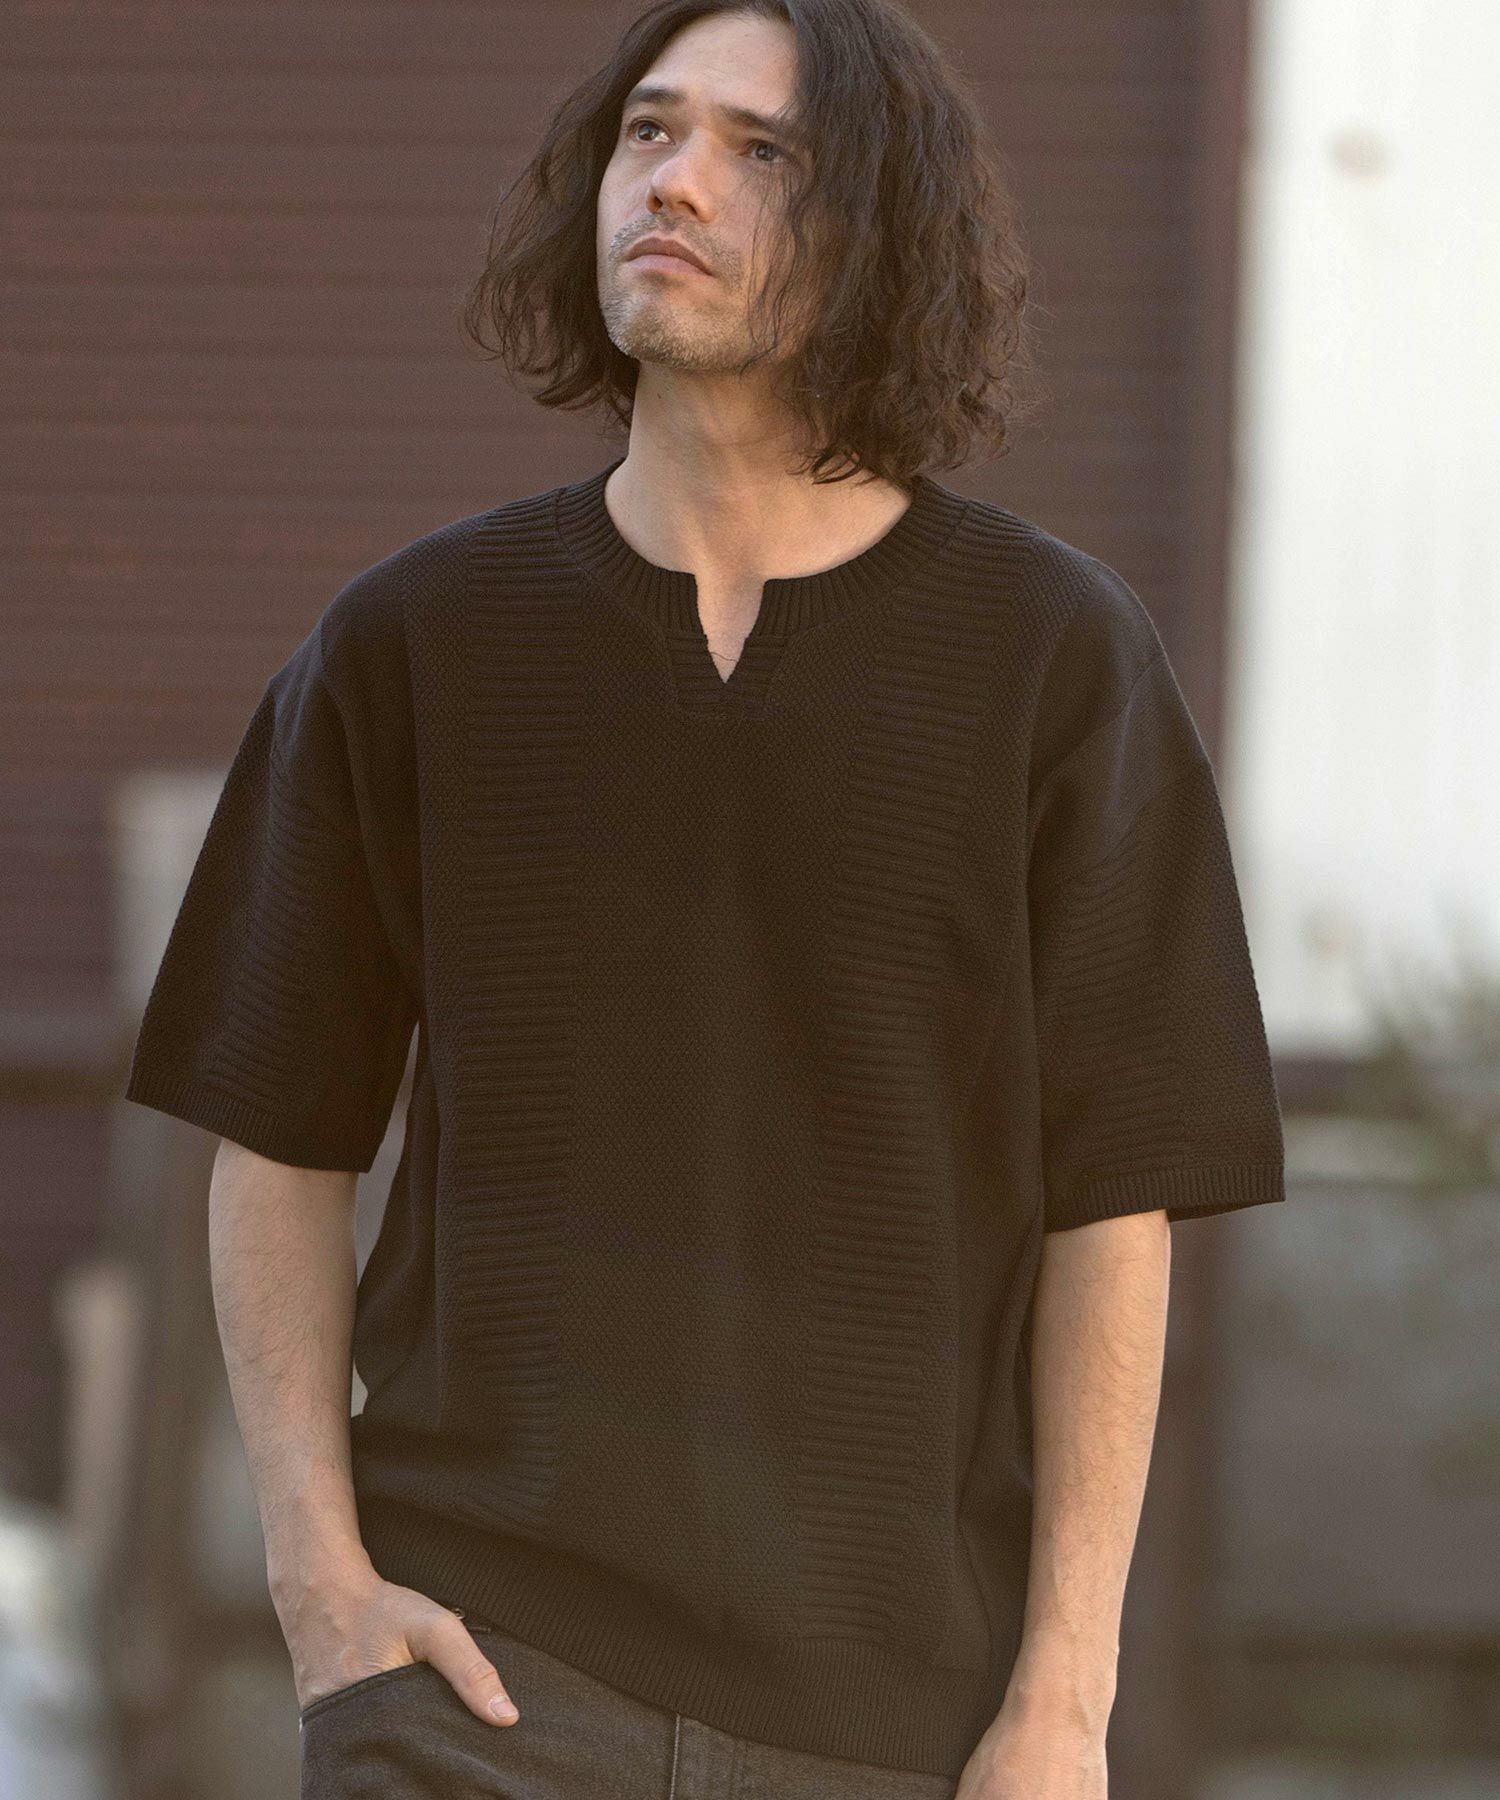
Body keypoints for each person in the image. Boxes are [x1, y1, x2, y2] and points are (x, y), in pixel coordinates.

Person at [123, 2, 1287, 1796]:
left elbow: (1113, 1206)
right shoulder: (418, 642)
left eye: (762, 151)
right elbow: (275, 1133)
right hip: (472, 1690)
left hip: (893, 1724)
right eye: (650, 132)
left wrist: (1066, 1696)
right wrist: (321, 1588)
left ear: (879, 229)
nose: (674, 182)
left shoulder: (1057, 660)